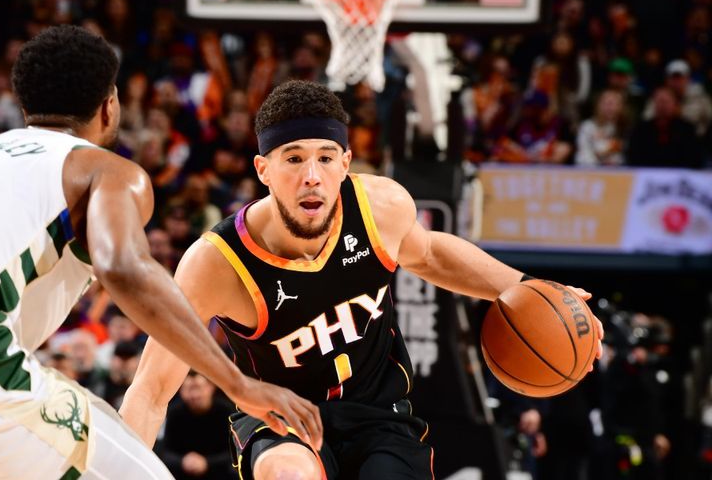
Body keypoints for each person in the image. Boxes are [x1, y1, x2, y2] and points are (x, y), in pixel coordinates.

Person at [121, 80, 604, 479]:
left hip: (380, 414)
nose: (312, 175)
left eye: (326, 157)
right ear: (263, 169)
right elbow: (151, 389)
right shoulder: (217, 263)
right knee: (287, 474)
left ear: (345, 164)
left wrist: (523, 287)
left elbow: (431, 253)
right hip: (279, 420)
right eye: (293, 158)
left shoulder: (379, 208)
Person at [0, 26, 321, 480]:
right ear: (109, 106)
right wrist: (237, 383)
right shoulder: (104, 170)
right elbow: (123, 267)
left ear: (24, 107)